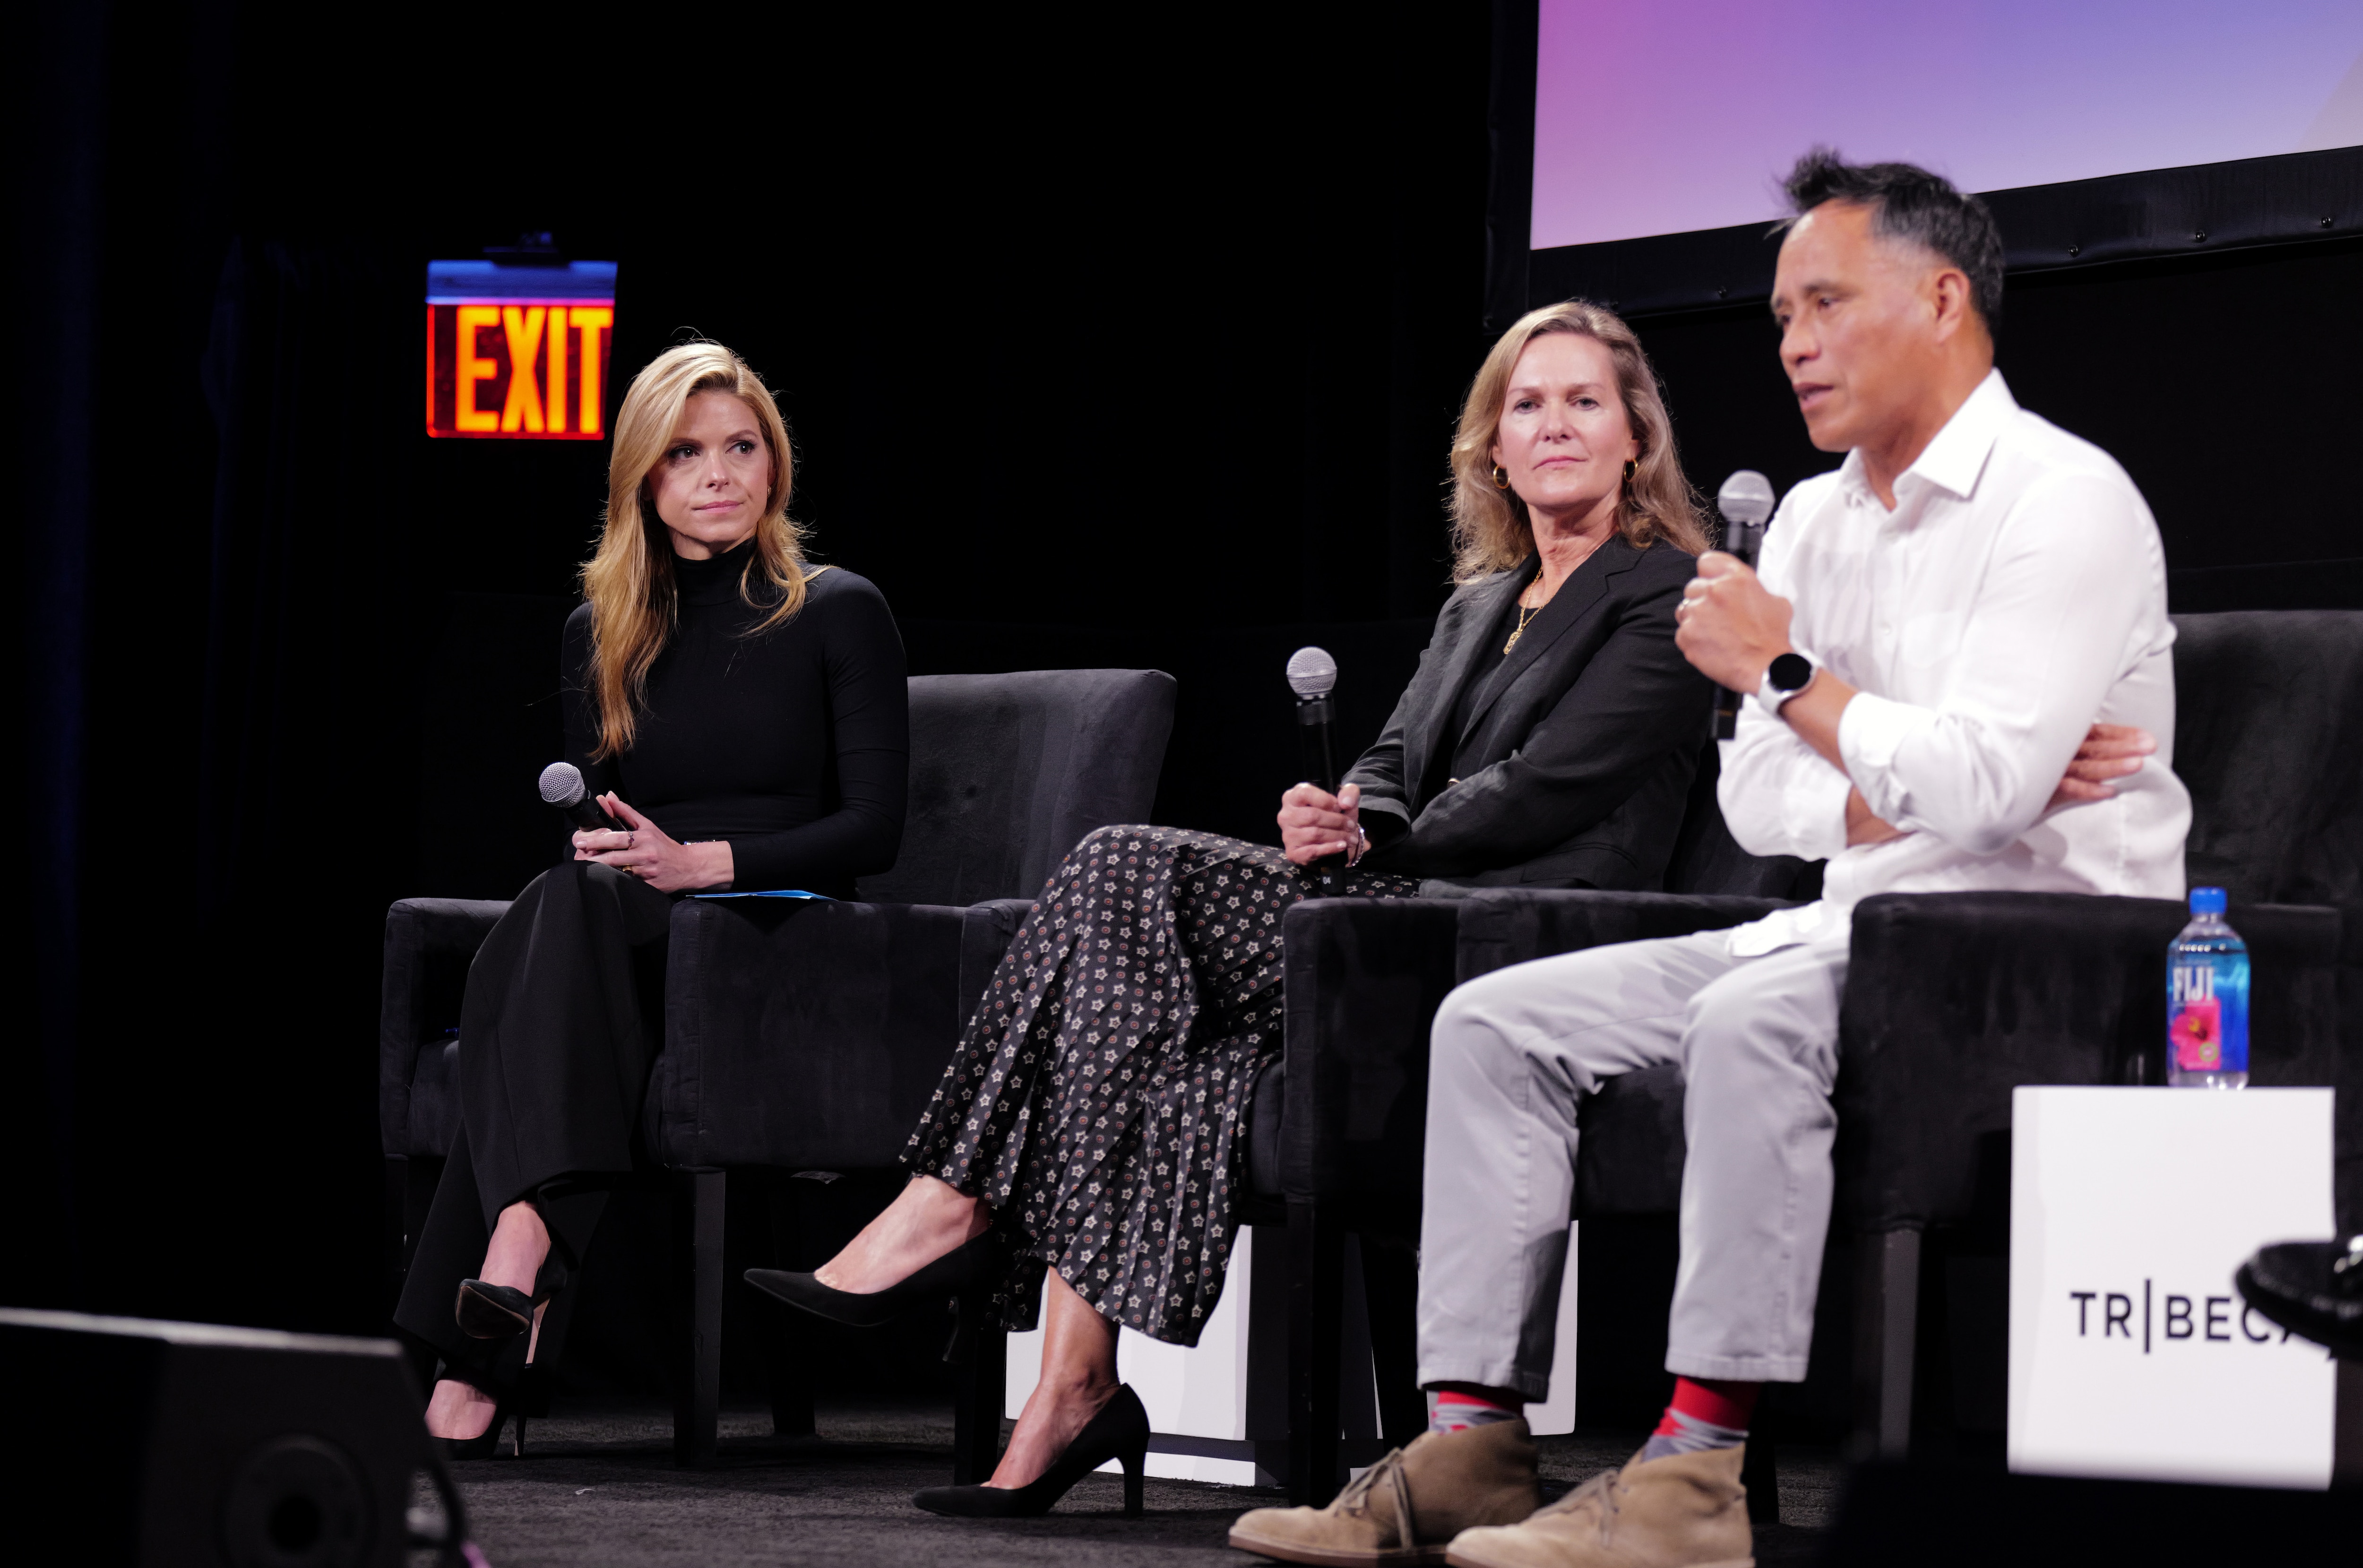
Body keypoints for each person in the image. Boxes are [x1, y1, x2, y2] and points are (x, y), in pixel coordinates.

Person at [1230, 150, 2191, 1568]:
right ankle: (1472, 1437)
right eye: (1780, 312)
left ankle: (1692, 1470)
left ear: (1940, 299)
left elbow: (1981, 795)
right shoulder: (1809, 518)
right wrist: (1900, 774)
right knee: (1496, 1021)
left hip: (2034, 948)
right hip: (1854, 920)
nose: (1793, 342)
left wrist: (1799, 678)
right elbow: (1764, 800)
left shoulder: (2065, 498)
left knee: (1751, 1016)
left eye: (1825, 302)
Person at [745, 300, 1717, 1516]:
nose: (1556, 424)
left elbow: (1560, 781)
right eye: (1528, 403)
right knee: (1166, 1039)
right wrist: (1341, 807)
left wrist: (1380, 830)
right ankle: (1070, 1389)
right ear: (1492, 449)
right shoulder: (1483, 605)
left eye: (1584, 401)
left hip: (1523, 936)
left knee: (1118, 866)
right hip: (1392, 912)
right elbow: (1391, 757)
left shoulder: (1671, 593)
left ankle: (951, 1203)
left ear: (1636, 436)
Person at [396, 342, 909, 1455]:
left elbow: (874, 830)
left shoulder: (837, 610)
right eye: (686, 454)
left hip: (782, 934)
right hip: (632, 934)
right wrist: (642, 868)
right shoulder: (603, 630)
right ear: (644, 476)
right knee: (565, 897)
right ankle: (512, 1267)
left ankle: (503, 1283)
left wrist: (708, 862)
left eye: (741, 447)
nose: (719, 474)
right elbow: (601, 832)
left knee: (533, 942)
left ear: (773, 464)